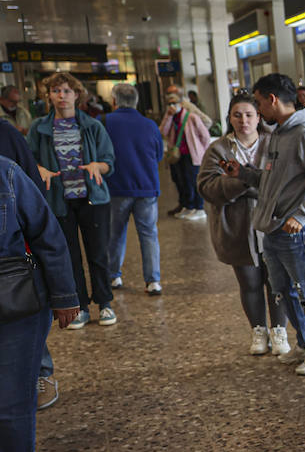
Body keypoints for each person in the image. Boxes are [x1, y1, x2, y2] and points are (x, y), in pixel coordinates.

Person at [223, 73, 305, 376]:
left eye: (259, 104)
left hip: (296, 230)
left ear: (273, 99)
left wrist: (301, 216)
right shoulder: (280, 133)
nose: (258, 110)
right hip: (274, 228)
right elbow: (274, 180)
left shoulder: (304, 133)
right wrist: (244, 174)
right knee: (284, 290)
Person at [0, 154, 79, 452]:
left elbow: (48, 235)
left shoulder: (7, 174)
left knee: (11, 396)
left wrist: (65, 297)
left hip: (15, 302)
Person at [198, 93, 290, 357]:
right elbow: (206, 187)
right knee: (249, 282)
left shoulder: (275, 143)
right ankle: (259, 330)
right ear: (229, 118)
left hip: (272, 226)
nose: (243, 120)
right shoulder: (219, 149)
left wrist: (250, 181)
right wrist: (243, 182)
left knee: (276, 282)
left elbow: (286, 182)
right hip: (236, 228)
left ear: (259, 116)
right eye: (237, 115)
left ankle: (279, 331)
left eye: (249, 114)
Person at [27, 72, 118, 329]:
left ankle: (106, 303)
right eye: (56, 91)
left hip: (93, 200)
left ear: (77, 95)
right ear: (49, 96)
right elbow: (28, 159)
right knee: (69, 256)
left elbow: (109, 161)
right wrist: (39, 170)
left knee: (98, 254)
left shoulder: (92, 125)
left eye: (67, 91)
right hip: (59, 201)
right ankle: (80, 307)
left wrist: (97, 166)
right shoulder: (39, 128)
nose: (61, 96)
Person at [0, 120, 57, 412]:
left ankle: (41, 372)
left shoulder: (7, 135)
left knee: (22, 308)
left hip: (13, 255)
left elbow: (34, 194)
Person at [103, 83, 164, 297]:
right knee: (148, 234)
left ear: (114, 101)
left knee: (115, 234)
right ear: (136, 102)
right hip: (146, 188)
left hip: (116, 187)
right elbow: (159, 155)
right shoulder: (150, 125)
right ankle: (153, 281)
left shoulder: (105, 122)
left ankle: (113, 275)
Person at [160, 89, 210, 221]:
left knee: (193, 181)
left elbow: (205, 136)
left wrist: (202, 152)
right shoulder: (171, 117)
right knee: (181, 181)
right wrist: (168, 116)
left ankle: (199, 208)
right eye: (169, 103)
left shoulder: (191, 117)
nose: (171, 106)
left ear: (181, 103)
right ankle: (188, 206)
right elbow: (163, 131)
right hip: (177, 155)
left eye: (174, 103)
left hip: (191, 155)